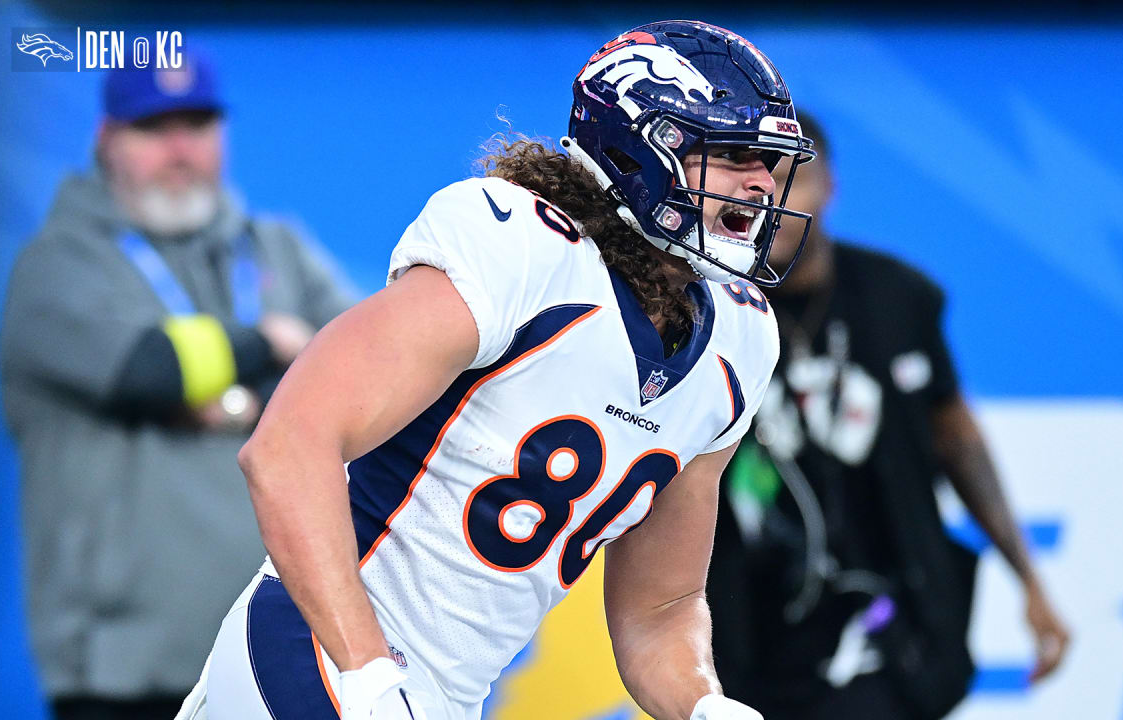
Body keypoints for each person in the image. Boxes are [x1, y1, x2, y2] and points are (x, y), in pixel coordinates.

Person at [176, 20, 817, 720]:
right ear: (639, 150)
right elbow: (287, 447)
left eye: (769, 161)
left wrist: (704, 706)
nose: (761, 184)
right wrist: (366, 679)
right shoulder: (520, 247)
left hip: (445, 698)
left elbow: (661, 607)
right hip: (320, 646)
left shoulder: (740, 339)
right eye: (731, 153)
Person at [0, 55, 355, 720]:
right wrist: (272, 342)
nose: (179, 147)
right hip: (123, 672)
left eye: (196, 122)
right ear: (107, 138)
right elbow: (149, 369)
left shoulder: (274, 246)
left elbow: (368, 372)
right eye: (153, 126)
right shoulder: (58, 262)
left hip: (273, 658)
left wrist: (230, 396)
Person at [705, 110, 1071, 720]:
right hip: (748, 626)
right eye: (750, 184)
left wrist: (1029, 579)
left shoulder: (898, 298)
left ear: (829, 185)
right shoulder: (706, 309)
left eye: (790, 177)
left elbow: (958, 441)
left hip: (887, 620)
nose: (772, 202)